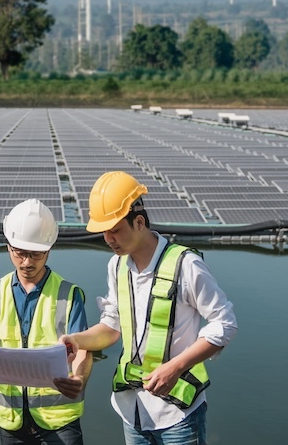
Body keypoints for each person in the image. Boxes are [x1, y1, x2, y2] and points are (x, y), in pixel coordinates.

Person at [60, 171, 237, 445]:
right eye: (104, 231)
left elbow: (224, 323)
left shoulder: (185, 265)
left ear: (139, 222)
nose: (108, 238)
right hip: (132, 411)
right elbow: (112, 325)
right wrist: (76, 340)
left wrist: (175, 367)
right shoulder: (116, 266)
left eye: (115, 230)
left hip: (178, 415)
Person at [0, 198, 93, 445]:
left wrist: (79, 378)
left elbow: (84, 349)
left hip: (59, 418)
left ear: (49, 249)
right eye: (20, 252)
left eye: (36, 254)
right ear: (8, 246)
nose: (27, 262)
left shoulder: (69, 294)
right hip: (10, 418)